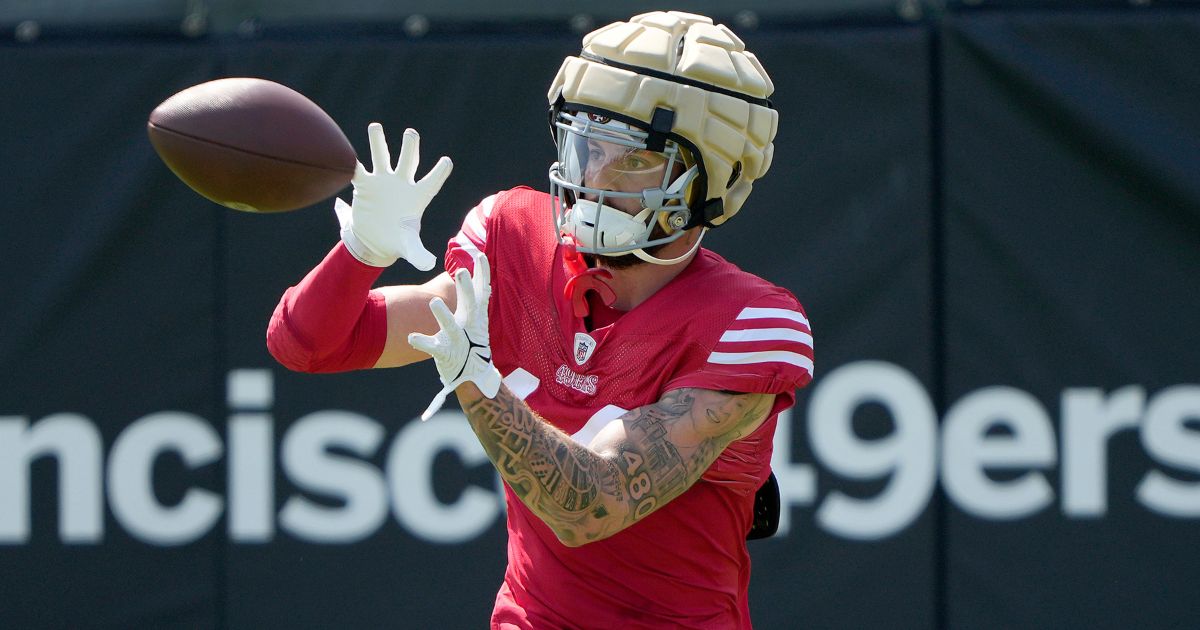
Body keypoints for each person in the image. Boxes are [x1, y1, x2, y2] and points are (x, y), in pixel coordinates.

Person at [267, 10, 813, 629]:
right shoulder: (516, 245)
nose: (591, 179)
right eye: (586, 146)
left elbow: (586, 508)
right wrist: (360, 254)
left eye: (630, 161)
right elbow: (307, 345)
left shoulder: (747, 322)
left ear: (707, 182)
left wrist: (477, 382)